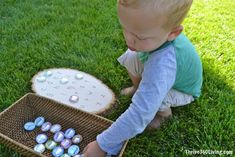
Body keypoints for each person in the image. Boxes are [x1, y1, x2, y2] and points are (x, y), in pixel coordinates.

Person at [83, 0, 202, 156]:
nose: (129, 40)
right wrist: (141, 40)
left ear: (173, 33)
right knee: (131, 56)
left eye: (140, 37)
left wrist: (102, 144)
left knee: (158, 98)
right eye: (125, 28)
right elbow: (136, 46)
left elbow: (140, 113)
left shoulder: (164, 64)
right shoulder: (156, 34)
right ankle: (138, 87)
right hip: (164, 72)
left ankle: (164, 116)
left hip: (181, 90)